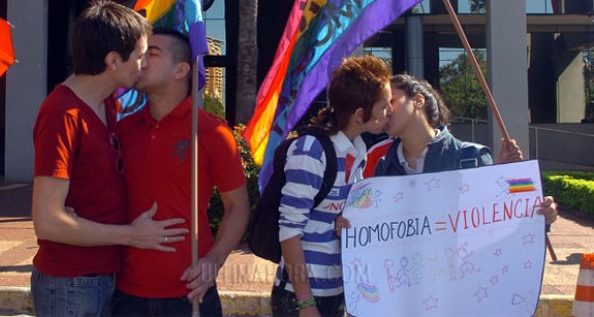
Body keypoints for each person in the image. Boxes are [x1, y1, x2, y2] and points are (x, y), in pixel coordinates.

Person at [31, 0, 188, 317]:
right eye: (141, 56)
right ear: (114, 60)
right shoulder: (63, 113)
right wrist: (131, 234)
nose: (144, 65)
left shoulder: (108, 105)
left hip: (105, 275)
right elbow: (47, 222)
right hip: (71, 282)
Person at [112, 29, 250, 317]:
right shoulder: (122, 130)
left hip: (191, 293)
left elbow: (237, 207)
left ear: (181, 69)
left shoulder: (211, 131)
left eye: (152, 53)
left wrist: (214, 260)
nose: (142, 61)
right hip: (125, 293)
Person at [271, 55, 393, 317]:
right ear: (361, 114)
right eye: (384, 106)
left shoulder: (358, 151)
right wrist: (305, 302)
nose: (390, 112)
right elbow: (289, 231)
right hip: (300, 297)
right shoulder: (311, 151)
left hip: (336, 290)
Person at [351, 74, 557, 223]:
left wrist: (539, 211)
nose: (384, 111)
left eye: (391, 101)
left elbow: (500, 220)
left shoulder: (471, 157)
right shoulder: (382, 168)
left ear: (418, 100)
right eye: (382, 104)